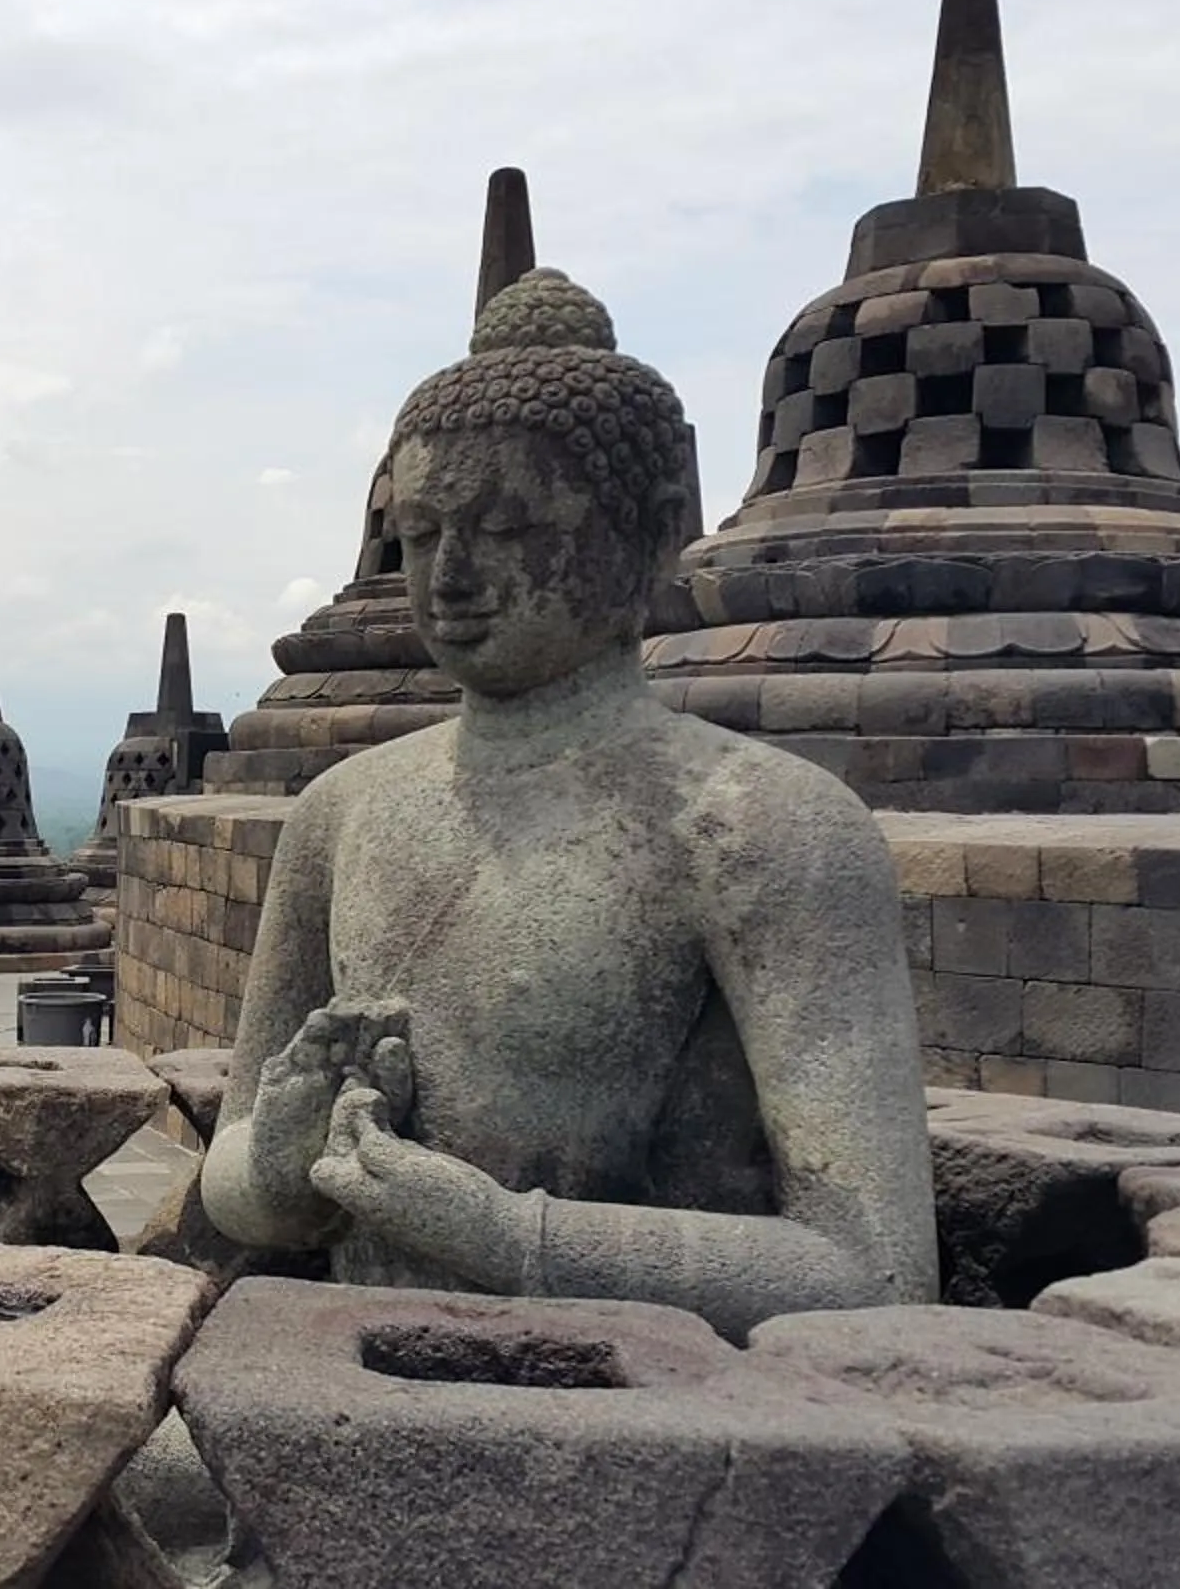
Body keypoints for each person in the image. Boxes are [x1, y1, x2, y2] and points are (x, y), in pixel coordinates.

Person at [199, 269, 937, 1336]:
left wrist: (511, 1237)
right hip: (348, 1400)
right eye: (419, 531)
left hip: (652, 1435)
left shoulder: (763, 824)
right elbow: (235, 1170)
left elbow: (876, 1271)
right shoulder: (342, 811)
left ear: (643, 535)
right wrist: (278, 1168)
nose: (448, 575)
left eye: (507, 528)